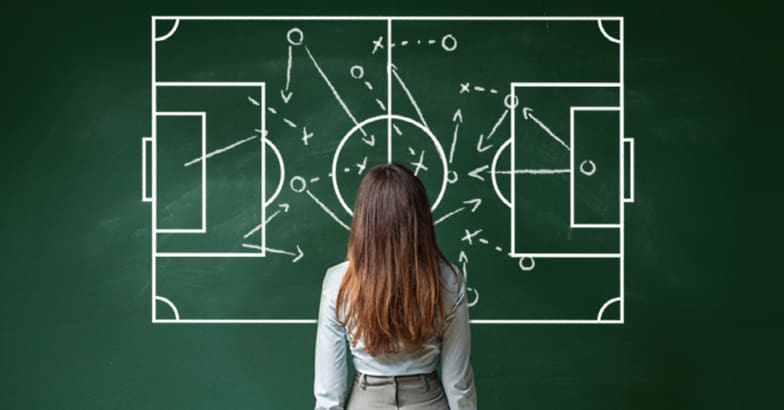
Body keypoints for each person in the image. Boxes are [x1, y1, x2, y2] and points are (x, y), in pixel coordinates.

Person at [314, 162, 477, 410]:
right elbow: (458, 383)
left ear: (364, 219)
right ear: (420, 218)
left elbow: (329, 394)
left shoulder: (338, 281)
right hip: (428, 400)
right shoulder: (448, 279)